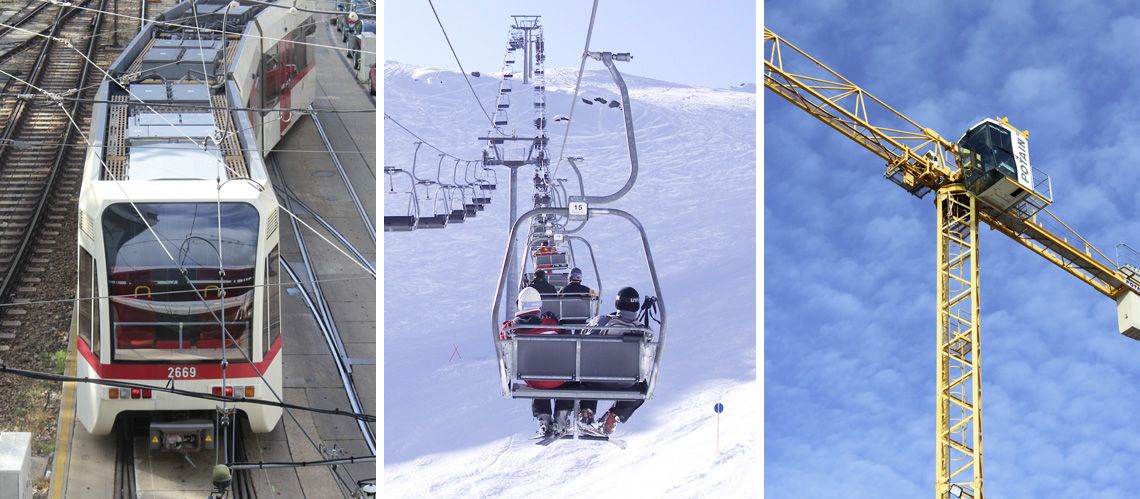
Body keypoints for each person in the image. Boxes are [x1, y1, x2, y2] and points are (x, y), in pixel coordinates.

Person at [499, 287, 572, 436]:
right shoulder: (550, 324)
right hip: (559, 379)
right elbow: (566, 340)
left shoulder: (511, 329)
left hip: (532, 378)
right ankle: (562, 415)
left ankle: (543, 418)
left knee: (537, 371)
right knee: (568, 377)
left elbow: (503, 343)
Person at [578, 286, 648, 434]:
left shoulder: (602, 322)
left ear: (617, 304)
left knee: (584, 376)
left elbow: (583, 342)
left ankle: (586, 412)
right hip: (627, 381)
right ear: (636, 305)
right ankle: (613, 416)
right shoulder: (642, 331)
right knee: (643, 388)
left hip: (594, 378)